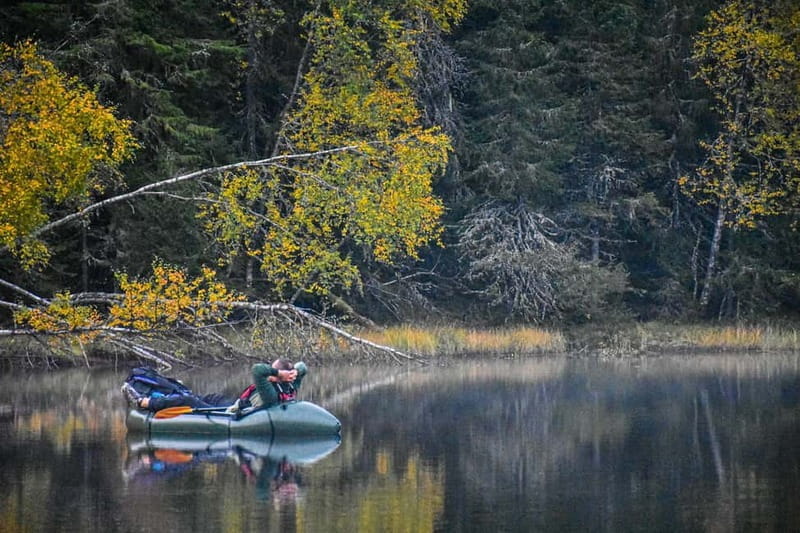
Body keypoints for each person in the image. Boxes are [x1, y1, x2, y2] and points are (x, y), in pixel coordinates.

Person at [121, 359, 305, 412]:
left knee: (188, 400)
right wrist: (292, 373)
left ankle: (143, 403)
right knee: (211, 397)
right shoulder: (291, 385)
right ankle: (171, 394)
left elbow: (257, 370)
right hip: (237, 406)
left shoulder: (270, 392)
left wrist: (278, 374)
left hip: (236, 416)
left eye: (272, 371)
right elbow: (302, 367)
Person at [227, 359, 307, 414]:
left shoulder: (291, 385)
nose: (269, 373)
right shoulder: (270, 392)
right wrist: (279, 373)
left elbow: (303, 367)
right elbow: (257, 369)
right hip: (236, 410)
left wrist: (294, 372)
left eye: (272, 370)